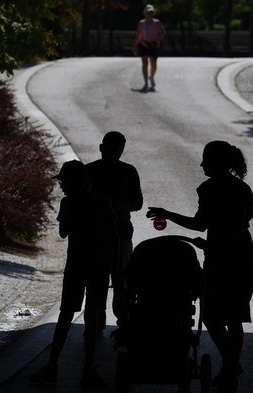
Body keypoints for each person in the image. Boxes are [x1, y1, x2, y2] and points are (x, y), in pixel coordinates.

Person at [146, 141, 253, 393]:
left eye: (205, 160)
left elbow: (200, 224)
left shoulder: (209, 189)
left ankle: (231, 366)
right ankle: (231, 367)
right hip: (243, 256)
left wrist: (167, 214)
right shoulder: (242, 188)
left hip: (221, 258)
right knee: (235, 317)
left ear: (216, 162)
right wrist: (237, 227)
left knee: (211, 316)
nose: (201, 164)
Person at [29, 160, 118, 388]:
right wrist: (115, 268)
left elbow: (63, 231)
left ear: (74, 182)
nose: (62, 187)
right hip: (99, 265)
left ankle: (52, 365)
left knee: (66, 314)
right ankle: (88, 368)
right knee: (91, 316)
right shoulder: (102, 202)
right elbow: (114, 237)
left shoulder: (69, 203)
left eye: (64, 182)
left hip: (77, 264)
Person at [86, 131, 143, 343]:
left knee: (102, 280)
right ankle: (120, 322)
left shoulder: (89, 171)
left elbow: (137, 203)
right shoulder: (128, 171)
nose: (113, 154)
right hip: (116, 233)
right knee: (119, 279)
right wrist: (121, 207)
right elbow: (137, 203)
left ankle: (99, 322)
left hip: (102, 234)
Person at [132, 4, 166, 92]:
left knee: (153, 65)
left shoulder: (157, 23)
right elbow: (139, 35)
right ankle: (146, 83)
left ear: (153, 13)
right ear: (145, 13)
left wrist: (158, 40)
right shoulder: (141, 23)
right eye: (148, 12)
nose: (149, 14)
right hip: (144, 44)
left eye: (151, 12)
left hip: (153, 44)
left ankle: (151, 77)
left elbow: (162, 33)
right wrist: (135, 46)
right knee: (145, 63)